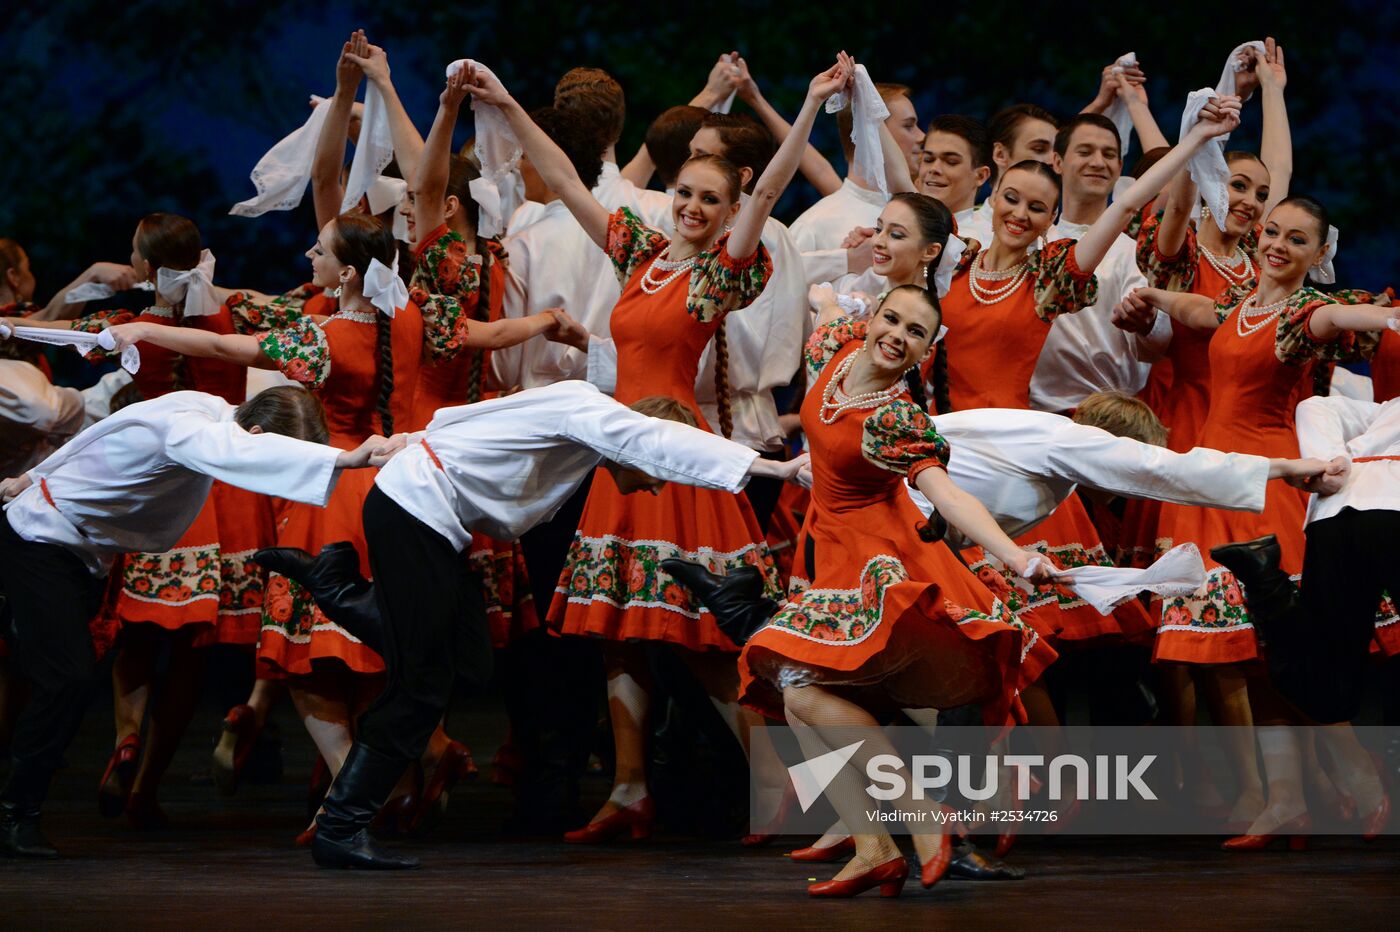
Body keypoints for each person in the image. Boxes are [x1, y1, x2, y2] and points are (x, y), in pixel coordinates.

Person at [471, 52, 848, 843]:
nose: (693, 207)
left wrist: (809, 104)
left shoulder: (715, 276)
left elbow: (773, 188)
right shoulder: (639, 257)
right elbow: (570, 183)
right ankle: (630, 786)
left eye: (712, 199)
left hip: (677, 463)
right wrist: (506, 100)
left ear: (729, 208)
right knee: (618, 630)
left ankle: (780, 786)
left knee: (704, 638)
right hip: (626, 460)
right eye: (685, 192)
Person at [265, 380, 806, 869]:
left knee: (470, 660)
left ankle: (336, 586)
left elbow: (484, 410)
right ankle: (341, 826)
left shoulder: (576, 411)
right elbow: (665, 441)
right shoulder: (593, 417)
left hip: (425, 515)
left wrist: (424, 435)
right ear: (637, 445)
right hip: (415, 510)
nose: (656, 489)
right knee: (418, 689)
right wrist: (775, 468)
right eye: (658, 475)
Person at [727, 289, 1058, 897]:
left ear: (924, 355)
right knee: (800, 693)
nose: (898, 335)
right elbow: (824, 313)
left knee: (797, 685)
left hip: (881, 554)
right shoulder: (835, 345)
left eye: (916, 333)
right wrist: (824, 293)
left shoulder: (895, 418)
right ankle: (873, 843)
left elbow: (948, 494)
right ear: (873, 317)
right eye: (892, 319)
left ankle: (915, 816)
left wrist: (1014, 555)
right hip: (829, 547)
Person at [1113, 195, 1398, 842]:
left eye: (1298, 240)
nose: (1277, 245)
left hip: (1266, 485)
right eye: (1273, 232)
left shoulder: (1304, 313)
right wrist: (1150, 295)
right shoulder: (1243, 307)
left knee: (1285, 641)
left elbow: (1347, 315)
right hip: (1221, 481)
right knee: (1246, 657)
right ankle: (1288, 799)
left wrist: (1385, 314)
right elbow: (1198, 310)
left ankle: (1354, 770)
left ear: (1318, 254)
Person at [0, 387, 389, 857]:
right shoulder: (194, 428)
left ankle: (18, 805)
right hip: (41, 539)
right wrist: (347, 460)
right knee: (67, 677)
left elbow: (103, 430)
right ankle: (16, 813)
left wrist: (33, 473)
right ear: (258, 434)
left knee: (50, 673)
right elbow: (223, 449)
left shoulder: (206, 407)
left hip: (77, 550)